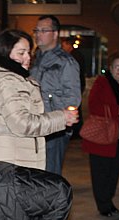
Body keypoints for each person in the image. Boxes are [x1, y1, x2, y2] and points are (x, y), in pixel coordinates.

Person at [0, 29, 78, 170]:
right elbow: (22, 123)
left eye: (29, 52)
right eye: (21, 53)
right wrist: (61, 118)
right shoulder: (9, 80)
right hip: (10, 157)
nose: (28, 58)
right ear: (5, 52)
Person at [82, 50, 119, 217]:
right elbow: (93, 105)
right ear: (111, 68)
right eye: (116, 67)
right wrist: (117, 110)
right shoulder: (102, 83)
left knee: (114, 171)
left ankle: (108, 200)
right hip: (103, 136)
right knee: (101, 172)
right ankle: (103, 205)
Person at [30, 15, 82, 175]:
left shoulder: (65, 62)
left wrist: (61, 119)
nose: (38, 34)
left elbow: (73, 97)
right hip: (34, 124)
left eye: (43, 30)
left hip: (54, 128)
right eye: (36, 30)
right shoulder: (34, 59)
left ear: (55, 34)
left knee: (49, 174)